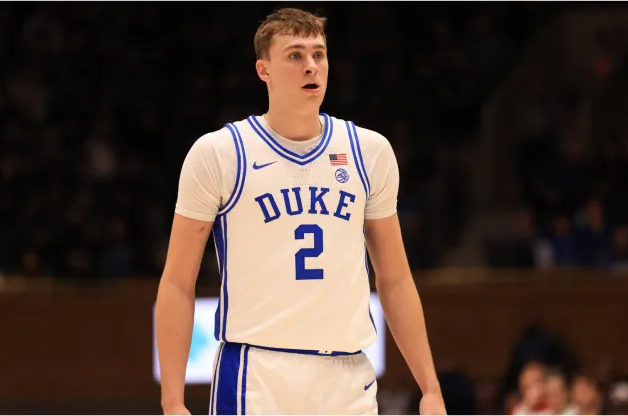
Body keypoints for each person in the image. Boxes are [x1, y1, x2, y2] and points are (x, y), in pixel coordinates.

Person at [154, 7, 446, 416]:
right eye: (295, 55)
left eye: (319, 54)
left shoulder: (369, 151)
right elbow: (177, 284)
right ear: (263, 70)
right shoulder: (220, 153)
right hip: (257, 374)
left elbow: (395, 279)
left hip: (348, 375)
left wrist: (429, 387)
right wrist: (172, 401)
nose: (311, 66)